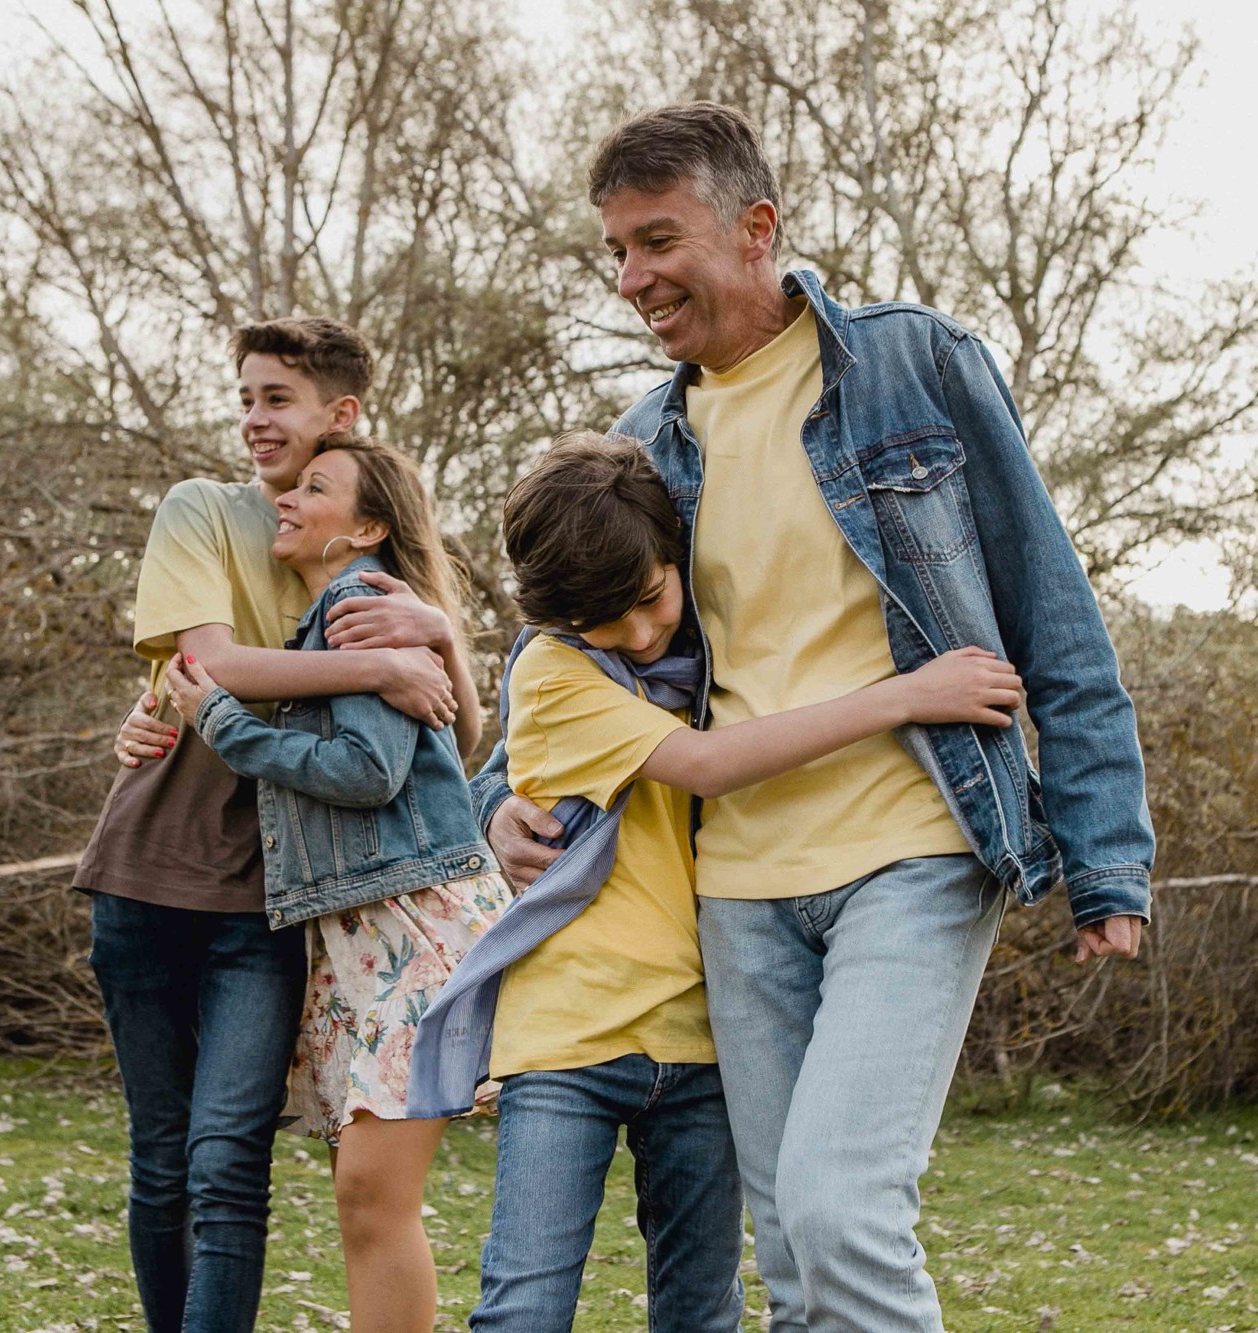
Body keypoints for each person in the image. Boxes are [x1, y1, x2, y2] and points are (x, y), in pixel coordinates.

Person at [471, 104, 1156, 1332]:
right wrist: (500, 800)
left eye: (656, 240)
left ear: (756, 227)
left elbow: (1052, 611)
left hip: (914, 842)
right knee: (790, 1253)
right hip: (734, 886)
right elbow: (557, 656)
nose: (631, 277)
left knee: (842, 1209)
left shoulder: (913, 364)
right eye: (617, 250)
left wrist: (1106, 854)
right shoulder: (644, 441)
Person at [412, 433, 1027, 1332]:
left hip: (699, 1038)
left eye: (651, 599)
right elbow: (706, 766)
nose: (638, 632)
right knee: (525, 1305)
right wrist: (904, 695)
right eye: (605, 622)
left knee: (702, 1312)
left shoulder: (697, 656)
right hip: (569, 1033)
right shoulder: (553, 668)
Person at [79, 317, 478, 1333]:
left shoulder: (352, 549)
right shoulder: (206, 512)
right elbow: (212, 663)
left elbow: (455, 734)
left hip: (274, 899)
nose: (254, 421)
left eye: (277, 400)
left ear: (338, 415)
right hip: (154, 860)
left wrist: (434, 637)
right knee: (164, 1159)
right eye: (246, 397)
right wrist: (376, 665)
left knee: (229, 1162)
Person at [164, 433, 510, 1333]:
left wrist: (224, 723)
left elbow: (367, 771)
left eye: (316, 488)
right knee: (364, 1197)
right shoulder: (338, 621)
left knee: (370, 1192)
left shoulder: (357, 604)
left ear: (364, 528)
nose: (288, 496)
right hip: (360, 931)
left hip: (411, 920)